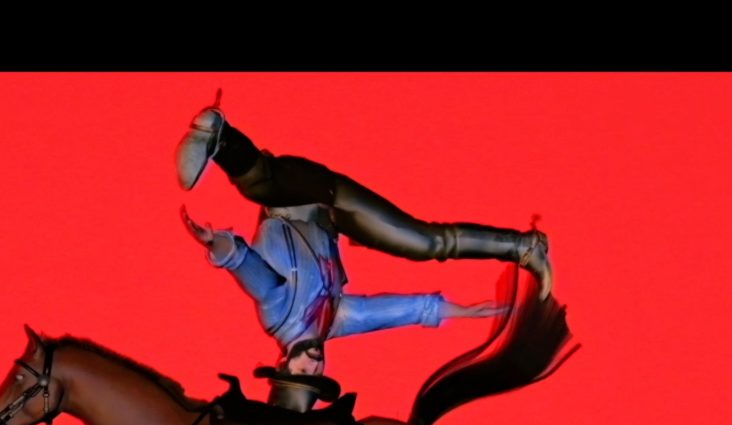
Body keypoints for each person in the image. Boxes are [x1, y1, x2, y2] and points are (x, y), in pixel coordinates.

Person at [176, 96, 552, 375]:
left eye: (303, 372)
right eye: (318, 374)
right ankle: (524, 247)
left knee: (265, 184)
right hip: (333, 209)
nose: (314, 365)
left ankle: (220, 137)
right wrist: (467, 312)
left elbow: (245, 264)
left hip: (295, 197)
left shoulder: (280, 314)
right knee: (428, 244)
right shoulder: (336, 321)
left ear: (283, 363)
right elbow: (410, 310)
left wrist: (214, 244)